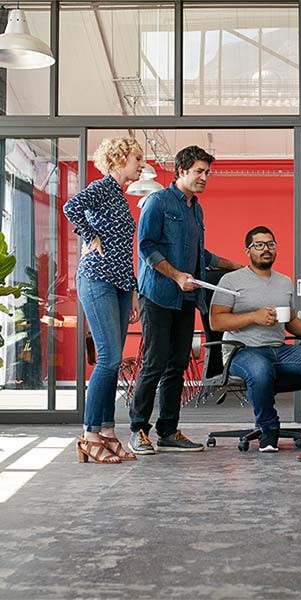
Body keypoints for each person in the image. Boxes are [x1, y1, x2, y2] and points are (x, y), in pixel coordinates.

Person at [128, 145, 243, 455]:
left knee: (177, 365)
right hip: (158, 295)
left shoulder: (196, 208)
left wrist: (233, 265)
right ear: (181, 172)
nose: (205, 177)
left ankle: (167, 430)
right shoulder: (157, 202)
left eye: (207, 172)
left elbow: (198, 254)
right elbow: (147, 247)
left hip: (187, 300)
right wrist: (177, 275)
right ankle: (138, 429)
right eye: (199, 172)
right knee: (154, 363)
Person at [64, 137, 144, 464]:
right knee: (109, 359)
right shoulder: (102, 187)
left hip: (122, 283)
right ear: (119, 159)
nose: (141, 164)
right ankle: (89, 435)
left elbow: (126, 252)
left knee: (113, 361)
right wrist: (89, 235)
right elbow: (71, 207)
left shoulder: (121, 198)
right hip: (96, 279)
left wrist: (135, 291)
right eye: (137, 158)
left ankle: (108, 432)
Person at [209, 226, 301, 452]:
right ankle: (269, 430)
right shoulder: (231, 280)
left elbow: (290, 321)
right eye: (259, 245)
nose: (266, 249)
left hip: (279, 349)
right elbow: (216, 322)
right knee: (260, 370)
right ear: (248, 251)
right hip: (242, 350)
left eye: (270, 244)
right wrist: (253, 317)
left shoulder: (284, 282)